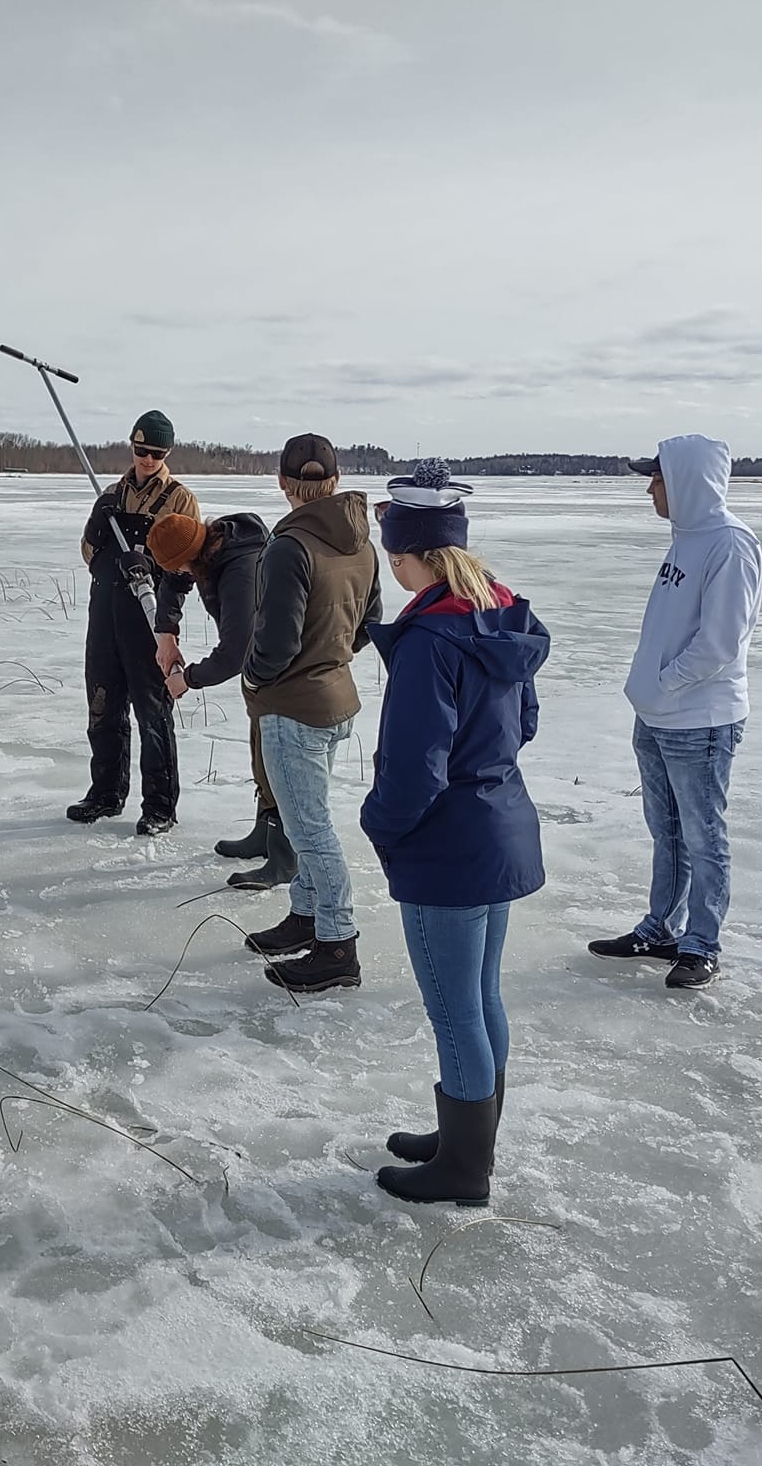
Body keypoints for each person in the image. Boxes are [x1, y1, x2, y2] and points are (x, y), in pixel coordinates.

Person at [360, 466, 548, 1206]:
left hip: (448, 849)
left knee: (455, 1007)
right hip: (499, 830)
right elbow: (524, 724)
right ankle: (470, 1137)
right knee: (481, 997)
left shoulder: (429, 641)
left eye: (391, 553)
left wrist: (382, 827)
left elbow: (413, 769)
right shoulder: (499, 616)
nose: (390, 566)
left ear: (412, 554)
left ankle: (465, 1169)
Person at [588, 434, 762, 991]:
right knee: (667, 831)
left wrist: (664, 685)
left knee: (703, 834)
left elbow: (719, 644)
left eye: (657, 479)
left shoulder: (730, 546)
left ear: (686, 482)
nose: (648, 489)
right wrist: (651, 693)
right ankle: (661, 928)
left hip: (700, 721)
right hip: (659, 715)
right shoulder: (686, 540)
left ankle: (702, 944)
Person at [240, 434, 382, 992]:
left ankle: (337, 944)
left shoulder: (289, 547)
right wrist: (330, 657)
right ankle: (306, 917)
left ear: (282, 482)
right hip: (335, 699)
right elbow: (369, 623)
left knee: (311, 828)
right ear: (335, 481)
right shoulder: (362, 544)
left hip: (294, 709)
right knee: (307, 817)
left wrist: (253, 677)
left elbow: (274, 645)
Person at [146, 509, 296, 889]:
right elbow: (173, 581)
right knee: (261, 751)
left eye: (179, 566)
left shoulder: (239, 570)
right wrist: (166, 631)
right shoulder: (210, 547)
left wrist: (188, 680)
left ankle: (284, 857)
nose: (179, 575)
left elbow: (236, 651)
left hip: (285, 670)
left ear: (191, 554)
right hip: (263, 672)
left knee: (278, 761)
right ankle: (265, 832)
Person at [67, 411, 198, 836]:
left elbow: (189, 564)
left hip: (149, 620)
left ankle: (159, 806)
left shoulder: (180, 499)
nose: (147, 459)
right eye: (141, 450)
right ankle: (105, 793)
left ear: (167, 453)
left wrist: (153, 565)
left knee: (152, 712)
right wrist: (97, 528)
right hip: (104, 615)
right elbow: (88, 555)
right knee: (103, 706)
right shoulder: (110, 494)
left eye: (156, 453)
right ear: (132, 446)